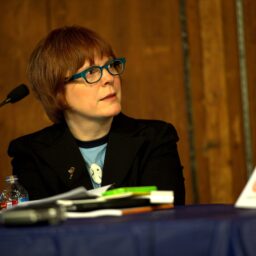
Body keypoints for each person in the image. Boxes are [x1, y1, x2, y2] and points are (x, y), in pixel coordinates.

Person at [8, 25, 185, 205]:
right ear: (58, 94)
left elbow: (166, 215)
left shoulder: (155, 138)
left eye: (110, 65)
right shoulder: (32, 154)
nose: (108, 78)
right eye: (91, 72)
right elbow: (38, 228)